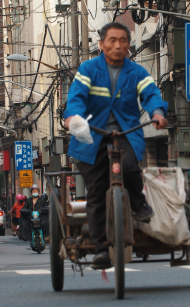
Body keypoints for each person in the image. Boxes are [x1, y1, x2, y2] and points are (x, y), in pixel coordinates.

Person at [64, 22, 169, 270]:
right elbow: (76, 98)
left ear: (128, 45)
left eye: (123, 40)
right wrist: (73, 118)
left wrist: (157, 112)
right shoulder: (88, 69)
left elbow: (151, 94)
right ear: (101, 44)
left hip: (125, 132)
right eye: (112, 40)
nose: (118, 45)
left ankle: (139, 203)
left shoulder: (137, 72)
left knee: (131, 167)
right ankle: (101, 249)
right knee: (96, 195)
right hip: (92, 135)